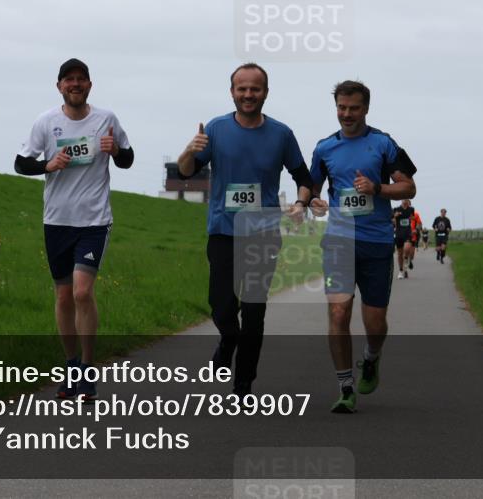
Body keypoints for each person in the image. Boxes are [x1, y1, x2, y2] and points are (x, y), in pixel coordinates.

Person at [177, 63, 312, 397]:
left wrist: (300, 203)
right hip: (223, 230)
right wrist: (189, 150)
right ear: (232, 92)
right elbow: (186, 172)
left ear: (265, 92)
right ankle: (227, 341)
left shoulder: (281, 134)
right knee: (222, 307)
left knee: (253, 312)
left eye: (255, 89)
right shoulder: (217, 129)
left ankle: (243, 384)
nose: (248, 94)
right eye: (242, 89)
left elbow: (303, 178)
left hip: (263, 232)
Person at [15, 58, 134, 401]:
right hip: (56, 221)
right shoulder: (46, 122)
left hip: (94, 221)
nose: (76, 84)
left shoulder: (106, 119)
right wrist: (47, 164)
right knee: (64, 296)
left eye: (81, 79)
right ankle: (70, 366)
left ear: (89, 85)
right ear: (60, 87)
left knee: (83, 292)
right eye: (69, 80)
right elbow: (21, 163)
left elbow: (127, 158)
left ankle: (87, 370)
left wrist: (117, 151)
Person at [309, 80, 416, 413]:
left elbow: (409, 187)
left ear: (366, 108)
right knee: (338, 312)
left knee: (375, 323)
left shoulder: (383, 144)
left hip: (377, 242)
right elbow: (311, 190)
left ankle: (371, 358)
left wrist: (376, 188)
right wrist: (313, 202)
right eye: (342, 107)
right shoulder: (325, 148)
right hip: (339, 240)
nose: (347, 114)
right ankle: (345, 387)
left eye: (354, 108)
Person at [392, 200, 416, 279]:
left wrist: (412, 218)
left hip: (407, 233)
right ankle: (401, 271)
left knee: (406, 248)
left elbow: (413, 218)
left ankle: (406, 259)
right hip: (399, 233)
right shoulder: (396, 209)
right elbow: (392, 219)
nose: (404, 200)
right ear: (401, 200)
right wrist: (395, 215)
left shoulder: (411, 209)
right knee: (399, 254)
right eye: (403, 198)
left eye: (406, 198)